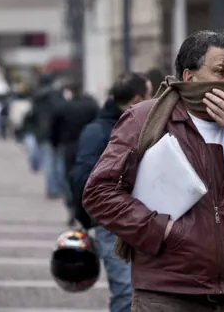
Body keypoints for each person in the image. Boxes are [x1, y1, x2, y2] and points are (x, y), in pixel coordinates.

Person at [82, 30, 224, 311]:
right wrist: (164, 230)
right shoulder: (145, 118)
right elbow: (99, 192)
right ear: (189, 76)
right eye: (222, 71)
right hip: (165, 295)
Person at [71, 73, 152, 312]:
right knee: (126, 292)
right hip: (113, 223)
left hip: (146, 220)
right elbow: (81, 179)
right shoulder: (98, 131)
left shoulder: (144, 126)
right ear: (137, 99)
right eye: (150, 95)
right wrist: (88, 219)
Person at [51, 82, 99, 226]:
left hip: (68, 146)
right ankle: (84, 207)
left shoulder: (63, 107)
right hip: (88, 145)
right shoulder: (91, 107)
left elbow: (54, 128)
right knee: (86, 177)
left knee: (68, 178)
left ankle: (72, 206)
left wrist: (55, 142)